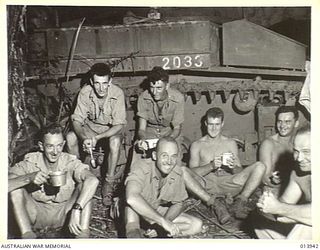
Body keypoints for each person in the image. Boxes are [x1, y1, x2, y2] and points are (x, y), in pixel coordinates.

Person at [8, 123, 99, 239]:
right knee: (16, 190)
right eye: (50, 146)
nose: (55, 152)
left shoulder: (70, 162)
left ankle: (82, 235)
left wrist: (77, 209)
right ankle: (27, 236)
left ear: (64, 144)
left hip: (65, 216)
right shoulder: (31, 161)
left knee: (85, 188)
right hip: (35, 215)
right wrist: (28, 178)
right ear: (41, 146)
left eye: (59, 146)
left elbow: (93, 180)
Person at [182, 107, 266, 224]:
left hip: (228, 183)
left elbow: (239, 171)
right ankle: (215, 204)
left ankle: (239, 203)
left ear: (222, 124)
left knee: (260, 166)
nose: (213, 128)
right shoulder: (197, 145)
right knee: (182, 171)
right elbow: (192, 173)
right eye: (211, 124)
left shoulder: (230, 143)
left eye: (217, 124)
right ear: (206, 123)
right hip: (206, 186)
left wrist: (232, 167)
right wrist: (211, 166)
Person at [66, 63, 127, 206]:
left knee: (115, 142)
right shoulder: (85, 92)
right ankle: (78, 180)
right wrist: (84, 137)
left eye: (105, 83)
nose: (101, 88)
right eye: (97, 84)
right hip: (89, 129)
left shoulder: (117, 93)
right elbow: (76, 120)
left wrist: (98, 138)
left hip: (110, 130)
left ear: (110, 81)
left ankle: (108, 184)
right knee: (70, 137)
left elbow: (119, 125)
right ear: (92, 82)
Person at [125, 137, 203, 238]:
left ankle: (154, 233)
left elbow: (178, 203)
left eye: (173, 156)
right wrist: (162, 221)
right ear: (154, 156)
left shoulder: (176, 172)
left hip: (155, 209)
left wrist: (164, 224)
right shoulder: (141, 167)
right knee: (133, 226)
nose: (169, 161)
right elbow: (131, 198)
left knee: (196, 225)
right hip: (134, 208)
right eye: (164, 156)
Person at [255, 124, 311, 239]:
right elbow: (284, 205)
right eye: (296, 151)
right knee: (258, 220)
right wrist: (268, 204)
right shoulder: (298, 173)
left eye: (306, 151)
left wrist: (279, 208)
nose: (299, 158)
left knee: (305, 227)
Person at [135, 66, 184, 155]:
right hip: (150, 132)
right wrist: (142, 139)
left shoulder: (178, 98)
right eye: (152, 87)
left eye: (159, 88)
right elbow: (142, 129)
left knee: (173, 159)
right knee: (139, 157)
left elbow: (177, 128)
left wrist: (166, 142)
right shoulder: (143, 98)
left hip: (170, 132)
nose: (154, 92)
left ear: (167, 86)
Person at [259, 106, 299, 195]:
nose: (282, 126)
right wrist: (274, 180)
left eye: (287, 122)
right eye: (279, 121)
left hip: (296, 188)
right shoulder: (269, 144)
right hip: (275, 189)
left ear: (296, 123)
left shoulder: (299, 142)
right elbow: (264, 176)